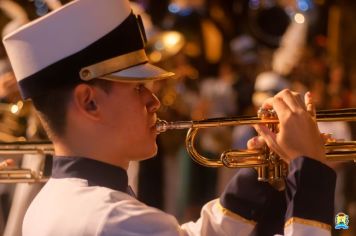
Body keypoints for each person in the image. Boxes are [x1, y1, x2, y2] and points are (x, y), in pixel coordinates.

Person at [3, 0, 336, 235]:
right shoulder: (116, 219)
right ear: (89, 102)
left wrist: (259, 180)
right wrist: (310, 173)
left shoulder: (55, 200)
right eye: (137, 89)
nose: (155, 100)